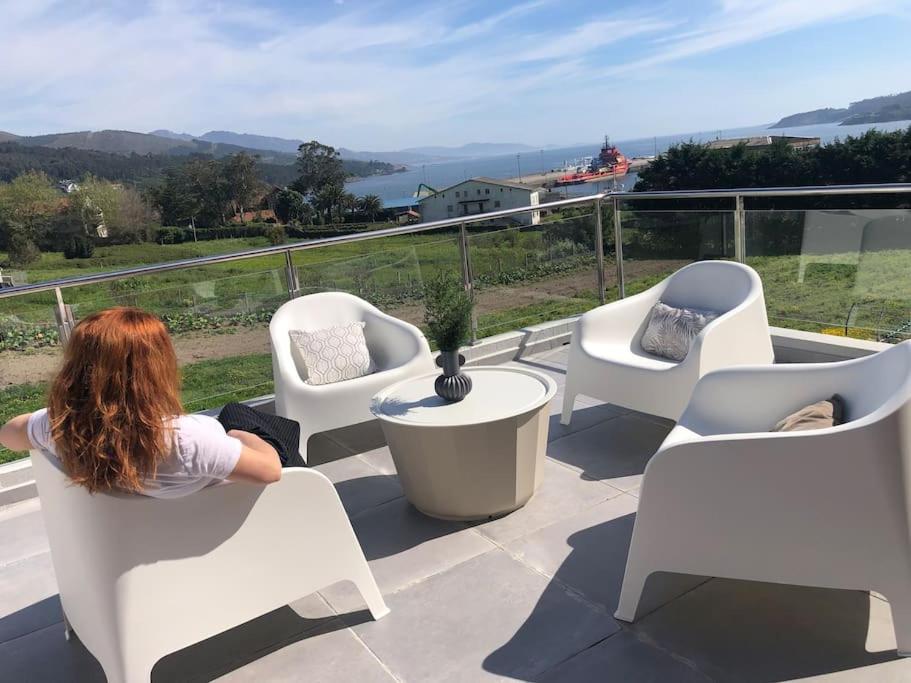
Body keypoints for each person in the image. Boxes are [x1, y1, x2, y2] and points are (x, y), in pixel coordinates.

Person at [0, 307, 282, 498]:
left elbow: (8, 435)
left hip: (142, 531)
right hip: (226, 514)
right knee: (243, 417)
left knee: (234, 410)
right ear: (153, 369)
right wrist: (237, 435)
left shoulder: (60, 427)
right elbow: (271, 470)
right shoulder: (183, 440)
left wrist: (60, 413)